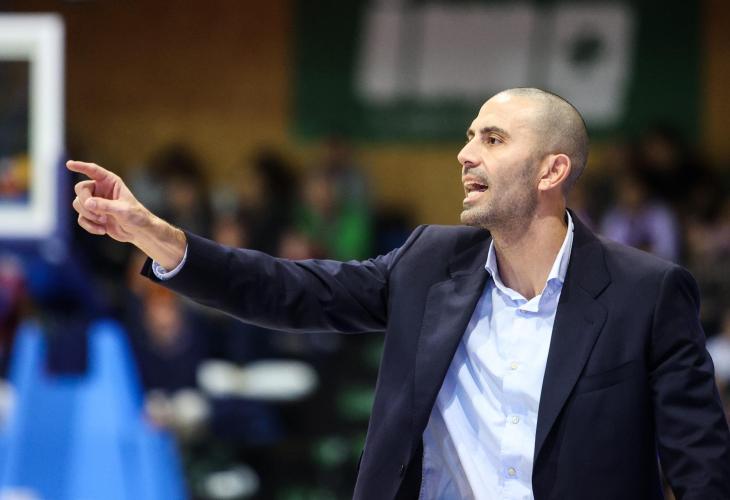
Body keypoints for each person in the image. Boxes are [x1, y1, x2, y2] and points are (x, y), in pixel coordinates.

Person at [68, 88, 730, 500]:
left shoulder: (646, 293)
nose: (466, 154)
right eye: (468, 136)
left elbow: (701, 470)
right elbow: (287, 289)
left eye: (493, 138)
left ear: (551, 170)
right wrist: (156, 235)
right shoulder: (428, 263)